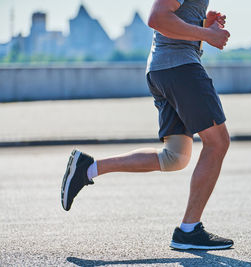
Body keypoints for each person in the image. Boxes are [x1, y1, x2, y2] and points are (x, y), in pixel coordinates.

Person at [61, 0, 233, 250]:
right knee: (218, 143)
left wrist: (203, 22)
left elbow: (173, 22)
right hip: (180, 69)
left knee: (175, 157)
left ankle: (87, 169)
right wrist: (207, 33)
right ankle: (189, 230)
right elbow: (157, 19)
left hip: (164, 69)